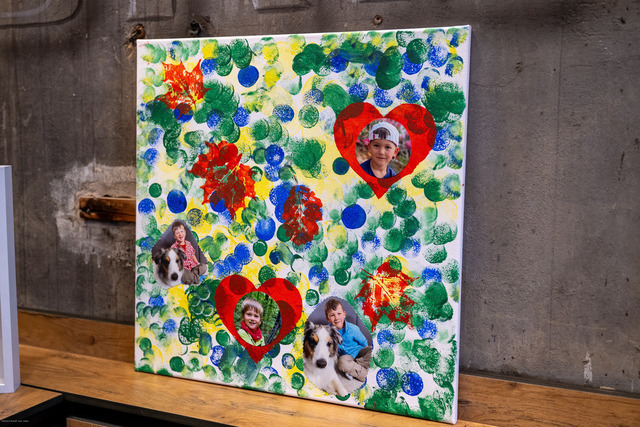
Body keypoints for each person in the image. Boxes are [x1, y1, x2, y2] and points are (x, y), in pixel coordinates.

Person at [325, 298, 372, 382]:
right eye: (332, 315)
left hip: (359, 352)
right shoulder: (327, 332)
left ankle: (356, 367)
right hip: (347, 358)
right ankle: (364, 374)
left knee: (371, 350)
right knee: (341, 363)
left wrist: (365, 356)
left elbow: (364, 343)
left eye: (339, 313)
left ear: (344, 314)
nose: (336, 318)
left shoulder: (353, 329)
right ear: (327, 318)